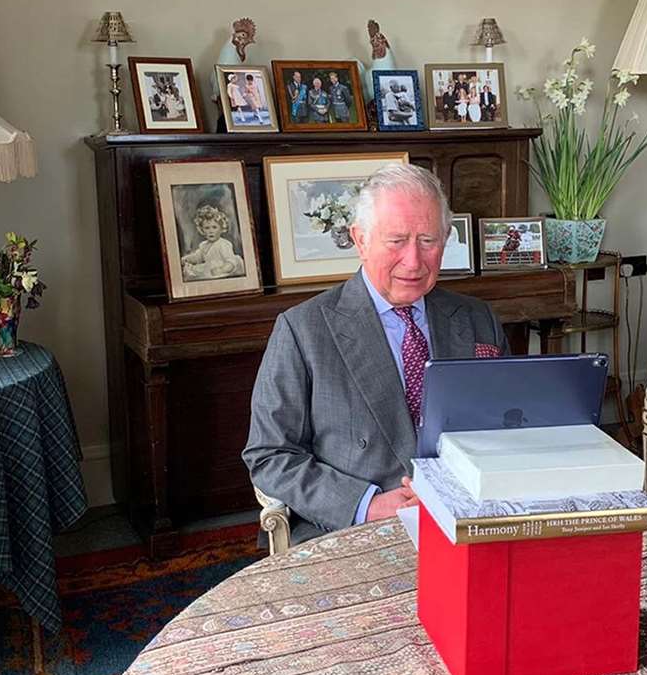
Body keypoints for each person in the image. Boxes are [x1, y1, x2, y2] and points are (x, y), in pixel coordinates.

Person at [244, 165, 509, 546]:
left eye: (428, 240)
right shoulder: (302, 330)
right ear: (360, 239)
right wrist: (367, 505)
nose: (414, 262)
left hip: (467, 518)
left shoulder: (477, 318)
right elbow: (269, 455)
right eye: (397, 241)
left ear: (447, 238)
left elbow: (510, 427)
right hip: (355, 528)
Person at [180, 203, 244, 280]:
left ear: (221, 228)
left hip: (221, 270)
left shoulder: (223, 244)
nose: (211, 231)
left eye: (214, 227)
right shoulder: (203, 245)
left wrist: (222, 269)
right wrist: (187, 259)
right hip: (209, 269)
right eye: (207, 228)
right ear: (202, 230)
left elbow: (231, 262)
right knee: (192, 271)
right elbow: (198, 257)